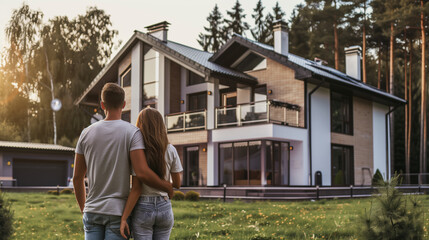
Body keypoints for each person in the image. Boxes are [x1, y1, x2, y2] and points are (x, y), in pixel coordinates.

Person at [73, 83, 173, 240]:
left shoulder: (85, 133)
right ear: (124, 104)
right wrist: (166, 186)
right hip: (118, 213)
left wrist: (84, 209)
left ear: (102, 105)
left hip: (92, 211)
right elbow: (140, 175)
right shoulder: (132, 133)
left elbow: (77, 178)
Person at [120, 107, 183, 240]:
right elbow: (177, 184)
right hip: (164, 205)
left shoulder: (138, 153)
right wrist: (166, 186)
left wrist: (124, 217)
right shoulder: (170, 149)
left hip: (143, 206)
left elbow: (136, 188)